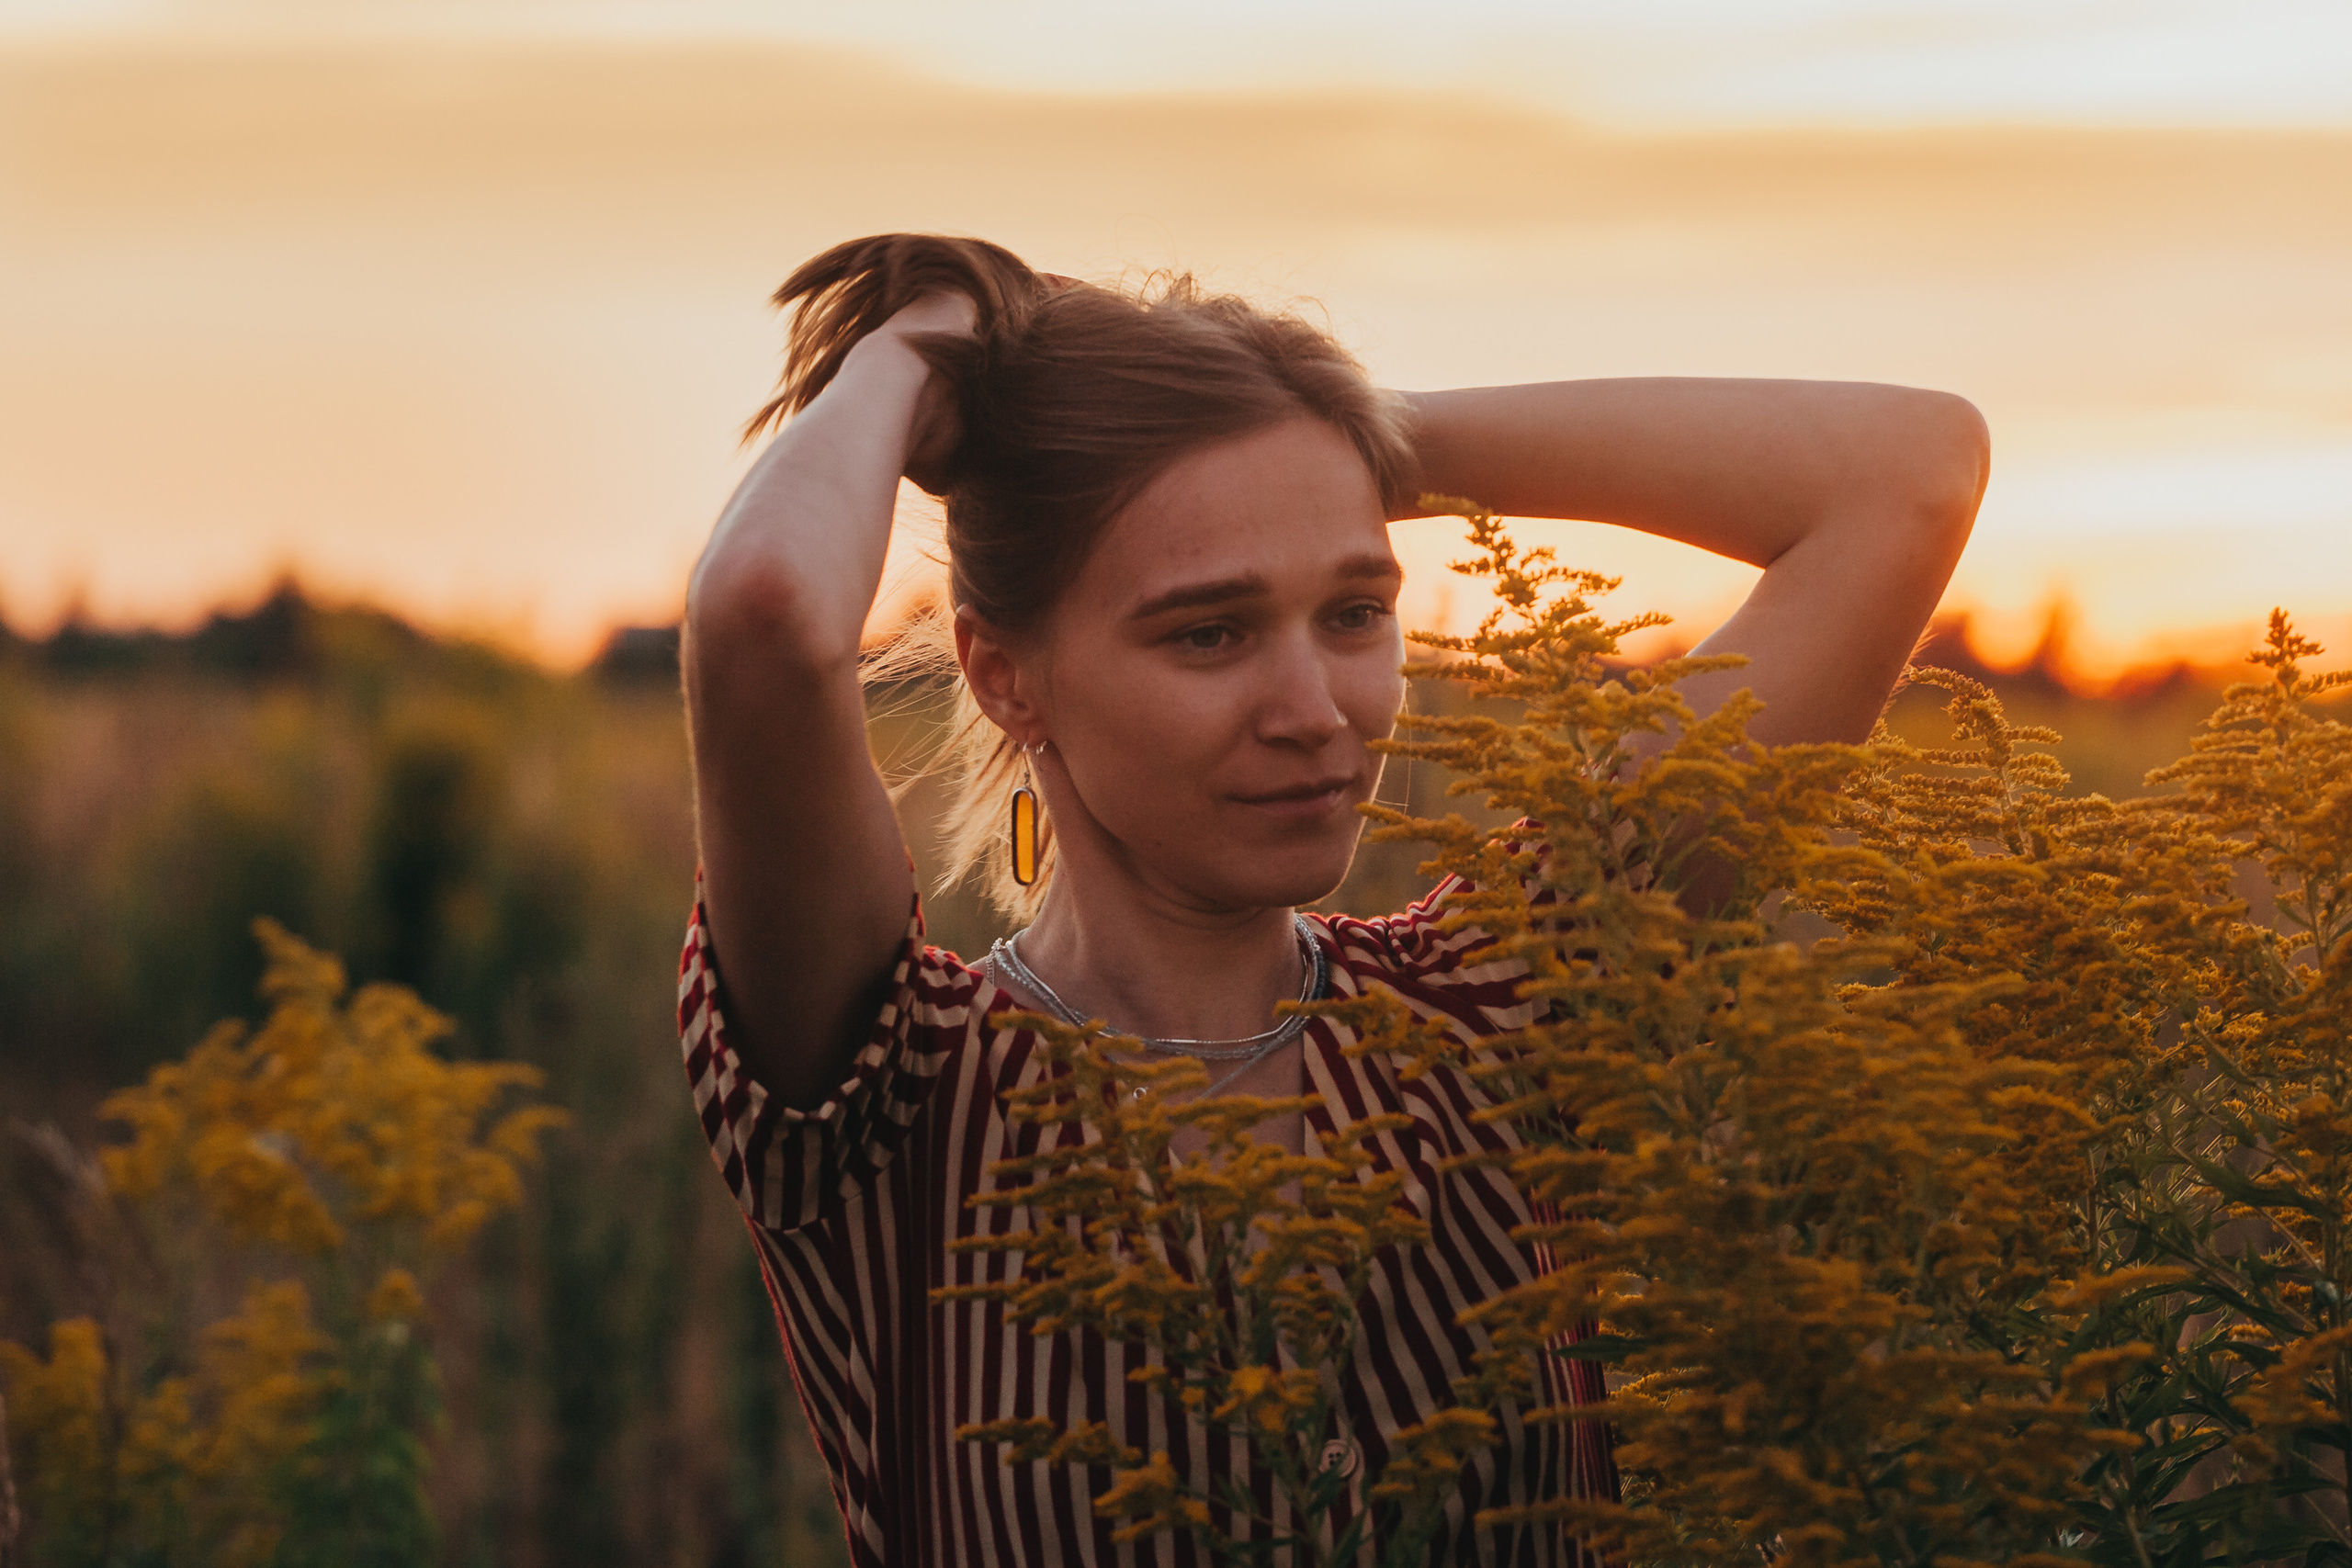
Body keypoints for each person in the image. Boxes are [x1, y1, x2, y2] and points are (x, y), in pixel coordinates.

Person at [675, 233, 1986, 1566]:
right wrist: (921, 332)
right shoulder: (892, 1090)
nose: (1316, 715)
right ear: (1006, 677)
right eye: (1210, 632)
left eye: (1354, 614)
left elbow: (1909, 474)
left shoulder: (1508, 1005)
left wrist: (1325, 441)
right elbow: (766, 612)